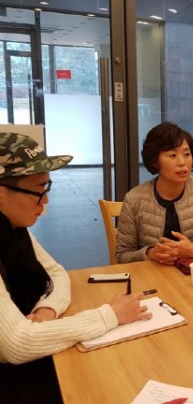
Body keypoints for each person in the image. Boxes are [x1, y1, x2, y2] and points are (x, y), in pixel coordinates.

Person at [0, 132, 151, 403]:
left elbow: (57, 273)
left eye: (47, 188)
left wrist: (46, 309)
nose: (45, 201)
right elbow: (17, 344)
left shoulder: (15, 229)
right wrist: (109, 315)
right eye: (38, 191)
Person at [116, 122, 193, 264]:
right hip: (152, 272)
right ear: (155, 161)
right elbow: (123, 255)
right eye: (172, 155)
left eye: (187, 154)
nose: (182, 162)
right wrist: (149, 253)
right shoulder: (134, 199)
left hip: (192, 271)